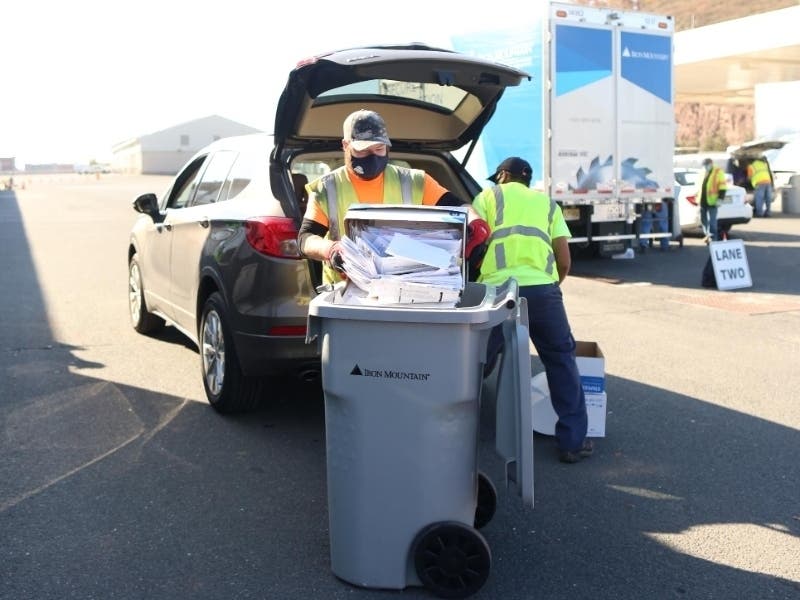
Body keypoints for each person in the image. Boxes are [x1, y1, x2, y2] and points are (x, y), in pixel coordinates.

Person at [473, 157, 592, 464]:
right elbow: (564, 259)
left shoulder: (488, 197)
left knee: (475, 363)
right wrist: (549, 285)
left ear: (502, 175)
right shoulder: (548, 204)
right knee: (561, 360)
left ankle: (456, 430)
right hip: (543, 293)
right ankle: (573, 442)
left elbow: (472, 243)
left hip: (498, 293)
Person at [297, 109, 488, 285]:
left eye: (379, 149)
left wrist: (476, 223)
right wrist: (331, 250)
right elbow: (306, 238)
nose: (372, 157)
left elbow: (459, 207)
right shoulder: (327, 188)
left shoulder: (415, 181)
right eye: (363, 150)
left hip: (408, 290)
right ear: (346, 145)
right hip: (346, 295)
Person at [699, 158, 726, 243]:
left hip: (713, 201)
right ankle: (707, 235)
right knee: (703, 220)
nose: (705, 167)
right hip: (703, 201)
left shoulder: (718, 172)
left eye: (707, 165)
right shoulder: (703, 172)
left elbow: (723, 187)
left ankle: (713, 238)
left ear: (711, 163)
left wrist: (720, 199)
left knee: (712, 221)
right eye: (704, 165)